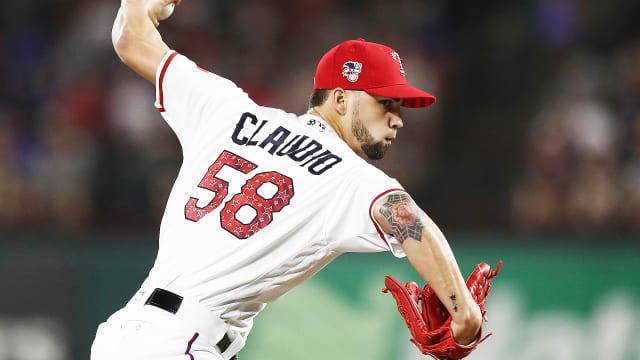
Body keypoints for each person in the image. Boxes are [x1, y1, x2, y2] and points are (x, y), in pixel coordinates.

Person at [91, 0, 483, 359]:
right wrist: (463, 310)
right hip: (185, 345)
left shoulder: (227, 109)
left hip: (122, 333)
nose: (397, 117)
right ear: (341, 99)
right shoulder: (349, 177)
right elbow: (411, 223)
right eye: (384, 102)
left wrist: (142, 4)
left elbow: (130, 38)